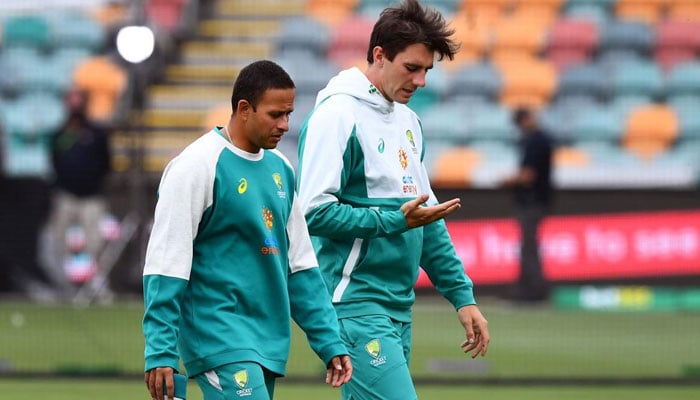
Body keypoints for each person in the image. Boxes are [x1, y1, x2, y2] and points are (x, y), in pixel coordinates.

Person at [295, 1, 490, 399]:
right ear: (379, 56)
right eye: (412, 68)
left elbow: (427, 220)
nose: (420, 81)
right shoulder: (337, 116)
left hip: (397, 308)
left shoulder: (409, 122)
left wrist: (462, 298)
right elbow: (313, 212)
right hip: (353, 304)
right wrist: (394, 221)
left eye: (427, 71)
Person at [142, 60, 352, 400]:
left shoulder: (282, 169)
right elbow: (166, 266)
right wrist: (160, 350)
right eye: (275, 114)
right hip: (218, 334)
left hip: (267, 340)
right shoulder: (196, 166)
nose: (285, 124)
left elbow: (300, 268)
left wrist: (329, 340)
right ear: (243, 109)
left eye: (289, 113)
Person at [46, 87, 112, 298]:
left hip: (91, 197)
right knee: (59, 241)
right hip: (66, 196)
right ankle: (64, 286)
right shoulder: (59, 134)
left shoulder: (96, 133)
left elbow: (106, 163)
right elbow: (54, 161)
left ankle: (96, 286)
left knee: (95, 242)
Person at [500, 107, 554, 303]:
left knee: (529, 249)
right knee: (528, 248)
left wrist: (508, 181)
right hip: (537, 201)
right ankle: (531, 291)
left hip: (532, 202)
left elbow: (528, 175)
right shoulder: (538, 139)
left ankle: (533, 293)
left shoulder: (536, 141)